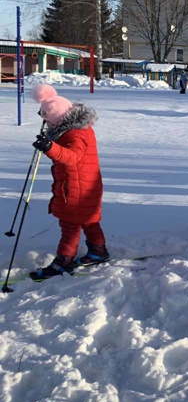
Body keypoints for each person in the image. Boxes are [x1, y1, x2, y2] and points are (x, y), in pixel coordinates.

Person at [29, 85, 109, 279]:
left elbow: (71, 157)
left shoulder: (76, 134)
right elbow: (65, 157)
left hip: (78, 187)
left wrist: (49, 147)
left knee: (70, 224)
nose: (47, 125)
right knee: (88, 220)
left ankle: (64, 261)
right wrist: (50, 146)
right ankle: (98, 251)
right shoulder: (76, 129)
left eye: (48, 120)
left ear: (59, 118)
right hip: (83, 183)